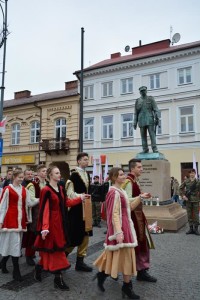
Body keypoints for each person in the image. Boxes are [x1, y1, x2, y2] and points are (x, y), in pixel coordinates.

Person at [93, 167, 151, 299]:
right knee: (122, 257)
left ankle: (107, 277)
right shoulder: (113, 193)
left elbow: (129, 208)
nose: (124, 176)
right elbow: (113, 213)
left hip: (126, 225)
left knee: (120, 256)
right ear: (114, 178)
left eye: (123, 174)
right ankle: (125, 286)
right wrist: (118, 232)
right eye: (120, 175)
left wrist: (140, 197)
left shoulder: (121, 191)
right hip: (121, 228)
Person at [33, 166, 89, 290]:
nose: (60, 175)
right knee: (57, 252)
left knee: (53, 251)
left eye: (59, 172)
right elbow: (45, 210)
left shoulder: (61, 188)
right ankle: (58, 280)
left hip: (61, 224)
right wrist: (45, 228)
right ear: (50, 175)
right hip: (51, 226)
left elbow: (67, 203)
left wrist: (80, 198)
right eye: (57, 173)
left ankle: (39, 267)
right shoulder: (46, 190)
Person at [123, 159, 157, 282]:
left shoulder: (134, 181)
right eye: (139, 167)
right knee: (138, 243)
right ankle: (138, 271)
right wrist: (140, 196)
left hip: (138, 216)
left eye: (141, 167)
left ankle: (142, 269)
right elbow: (126, 200)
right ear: (132, 169)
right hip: (133, 217)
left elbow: (134, 196)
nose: (142, 169)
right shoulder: (128, 181)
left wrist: (142, 194)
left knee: (143, 243)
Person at [0, 169, 31, 281]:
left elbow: (29, 203)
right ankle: (16, 270)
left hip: (20, 221)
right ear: (14, 177)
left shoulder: (24, 190)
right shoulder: (7, 189)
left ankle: (3, 263)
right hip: (10, 220)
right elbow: (2, 206)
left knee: (15, 245)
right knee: (15, 245)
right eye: (20, 177)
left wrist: (41, 198)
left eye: (22, 177)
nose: (21, 179)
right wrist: (0, 221)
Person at [65, 152, 93, 272]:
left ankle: (80, 262)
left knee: (86, 234)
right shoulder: (73, 176)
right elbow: (70, 194)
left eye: (87, 160)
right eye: (85, 160)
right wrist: (81, 196)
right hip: (76, 209)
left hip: (86, 208)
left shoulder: (87, 174)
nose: (87, 162)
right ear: (78, 161)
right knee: (75, 235)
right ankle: (62, 258)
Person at [22, 164, 47, 266]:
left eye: (46, 171)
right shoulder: (33, 184)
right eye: (43, 171)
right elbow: (30, 200)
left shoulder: (47, 183)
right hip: (35, 213)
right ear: (38, 172)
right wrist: (42, 200)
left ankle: (43, 256)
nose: (45, 173)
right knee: (32, 236)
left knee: (43, 235)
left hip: (45, 213)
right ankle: (29, 255)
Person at [133, 86, 159, 153]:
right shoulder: (137, 101)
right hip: (141, 120)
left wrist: (157, 117)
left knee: (152, 134)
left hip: (150, 119)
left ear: (146, 91)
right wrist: (134, 122)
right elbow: (136, 113)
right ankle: (145, 149)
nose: (143, 92)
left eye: (144, 90)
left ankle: (154, 148)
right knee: (143, 136)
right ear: (140, 92)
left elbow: (156, 109)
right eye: (141, 91)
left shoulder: (151, 99)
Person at [179, 169, 200, 235]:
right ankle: (191, 228)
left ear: (195, 174)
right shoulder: (186, 181)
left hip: (196, 200)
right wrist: (183, 196)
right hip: (188, 200)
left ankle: (196, 229)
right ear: (189, 174)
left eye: (193, 173)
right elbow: (180, 188)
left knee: (196, 215)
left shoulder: (198, 182)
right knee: (189, 214)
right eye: (190, 173)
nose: (192, 174)